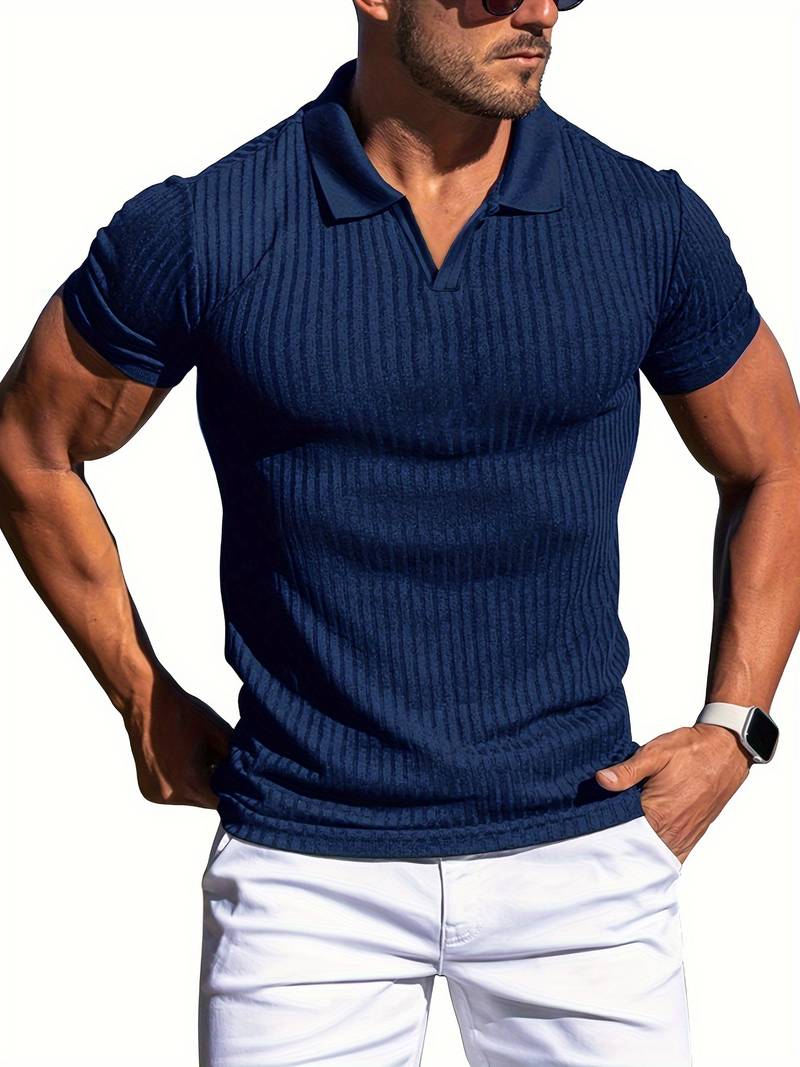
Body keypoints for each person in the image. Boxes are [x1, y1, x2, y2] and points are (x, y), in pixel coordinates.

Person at [0, 1, 796, 1064]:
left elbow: (774, 463)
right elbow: (30, 448)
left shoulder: (642, 220)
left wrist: (735, 729)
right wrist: (143, 699)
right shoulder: (210, 225)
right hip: (303, 871)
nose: (538, 11)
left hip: (581, 851)